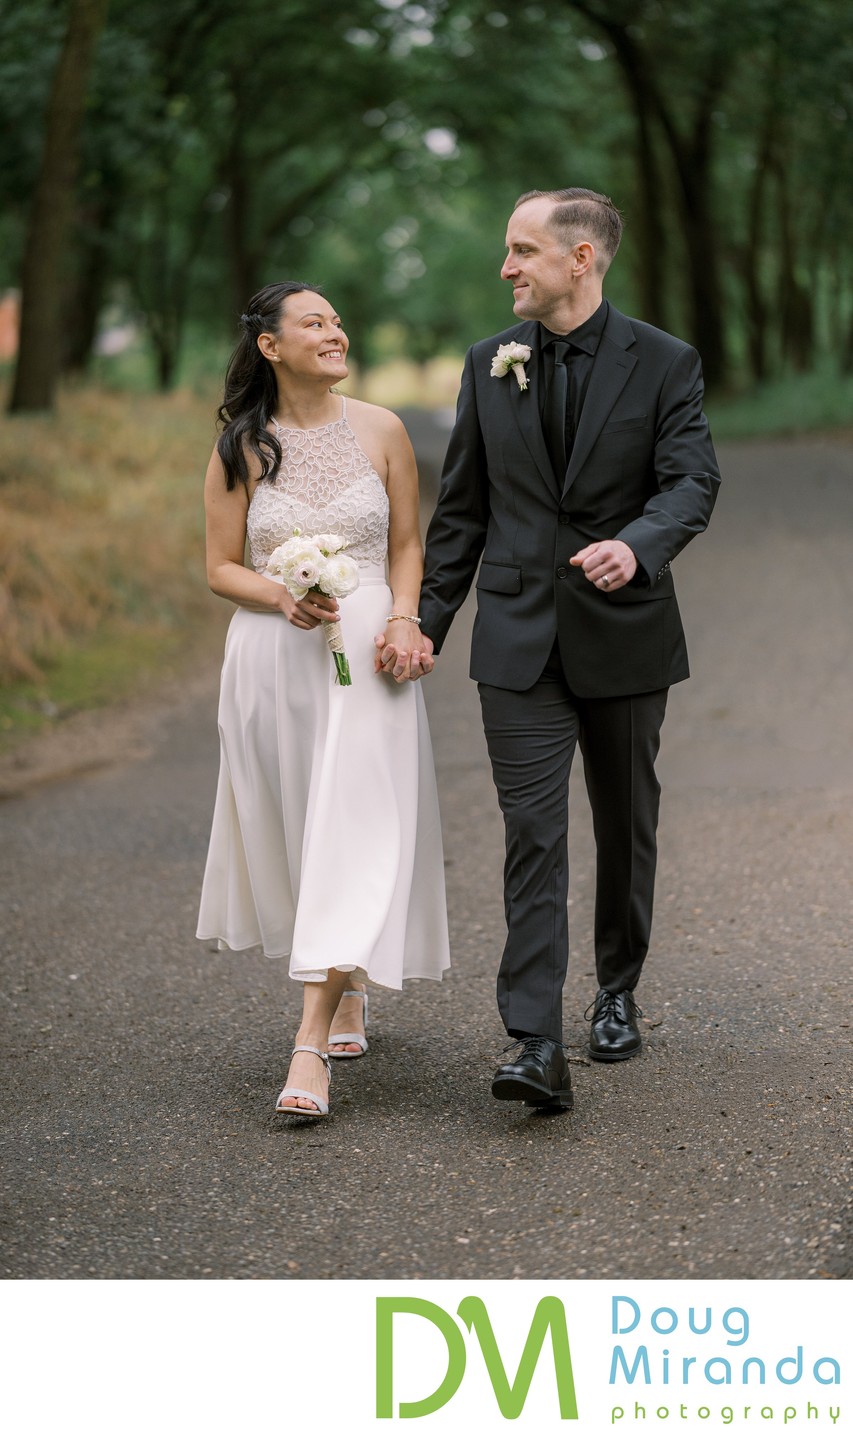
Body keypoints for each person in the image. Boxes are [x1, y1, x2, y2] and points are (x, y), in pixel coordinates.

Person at [410, 188, 720, 1112]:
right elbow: (461, 511)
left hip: (623, 635)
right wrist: (422, 624)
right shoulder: (486, 363)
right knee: (532, 835)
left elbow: (691, 479)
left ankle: (616, 990)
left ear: (578, 258)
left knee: (624, 825)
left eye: (520, 250)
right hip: (514, 641)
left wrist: (639, 542)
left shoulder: (664, 362)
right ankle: (533, 1038)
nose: (505, 267)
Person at [197, 281, 449, 1118]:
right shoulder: (240, 444)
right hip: (275, 657)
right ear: (271, 345)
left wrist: (406, 619)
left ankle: (307, 1047)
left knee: (358, 820)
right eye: (314, 323)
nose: (334, 332)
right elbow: (220, 565)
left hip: (371, 648)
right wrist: (279, 595)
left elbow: (409, 541)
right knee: (307, 827)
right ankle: (345, 985)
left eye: (338, 320)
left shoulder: (382, 429)